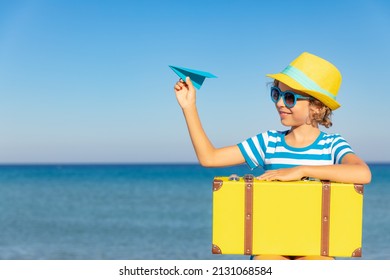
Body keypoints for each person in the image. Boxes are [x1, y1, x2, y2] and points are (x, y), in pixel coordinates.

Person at [173, 52, 371, 260]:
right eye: (276, 94)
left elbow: (362, 173)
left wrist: (300, 171)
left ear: (317, 106)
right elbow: (209, 158)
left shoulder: (332, 145)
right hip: (269, 245)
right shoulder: (268, 142)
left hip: (315, 245)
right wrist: (189, 107)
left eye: (289, 98)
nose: (279, 103)